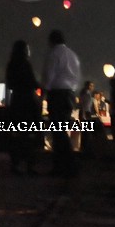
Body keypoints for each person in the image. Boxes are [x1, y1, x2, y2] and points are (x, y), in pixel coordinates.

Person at [41, 30, 80, 177]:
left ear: (51, 41)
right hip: (69, 93)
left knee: (57, 131)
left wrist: (43, 93)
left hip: (57, 94)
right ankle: (66, 164)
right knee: (61, 129)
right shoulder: (72, 55)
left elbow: (49, 76)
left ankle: (66, 164)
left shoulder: (53, 54)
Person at [5, 40, 41, 175]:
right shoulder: (26, 64)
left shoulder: (11, 64)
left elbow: (10, 84)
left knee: (17, 135)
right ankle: (29, 165)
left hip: (16, 102)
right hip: (27, 102)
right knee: (29, 135)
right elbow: (33, 82)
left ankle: (16, 164)